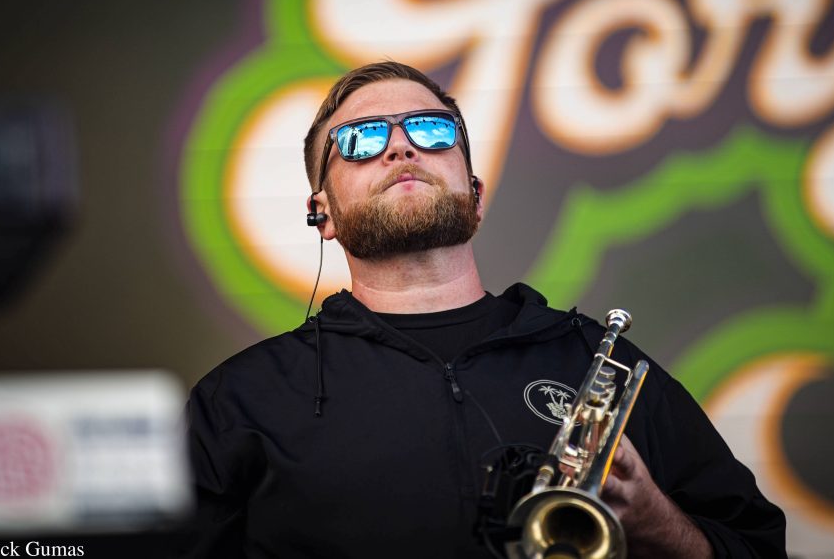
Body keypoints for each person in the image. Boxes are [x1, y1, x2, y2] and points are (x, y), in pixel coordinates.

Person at [182, 61, 787, 558]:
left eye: (431, 130)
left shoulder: (601, 365)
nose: (400, 147)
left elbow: (758, 547)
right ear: (323, 215)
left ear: (474, 196)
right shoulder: (240, 400)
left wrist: (658, 524)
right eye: (360, 140)